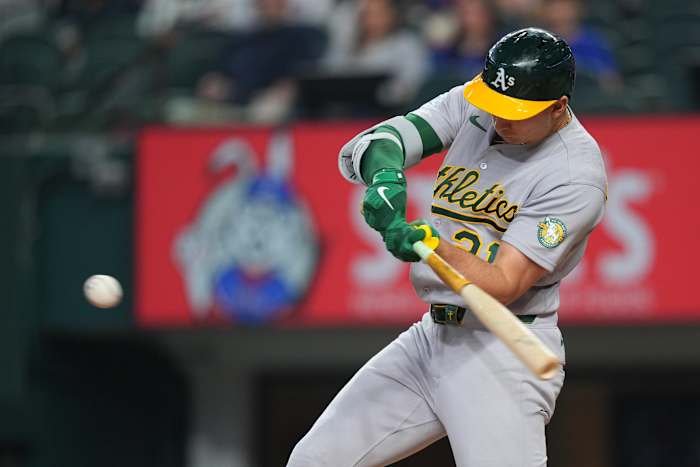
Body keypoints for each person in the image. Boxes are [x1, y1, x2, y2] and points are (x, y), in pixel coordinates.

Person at [287, 27, 607, 466]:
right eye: (495, 103)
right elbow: (385, 139)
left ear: (558, 107)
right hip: (432, 337)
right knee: (314, 460)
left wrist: (432, 245)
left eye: (515, 110)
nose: (499, 117)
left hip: (504, 348)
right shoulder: (478, 103)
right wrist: (386, 177)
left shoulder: (575, 175)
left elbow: (505, 282)